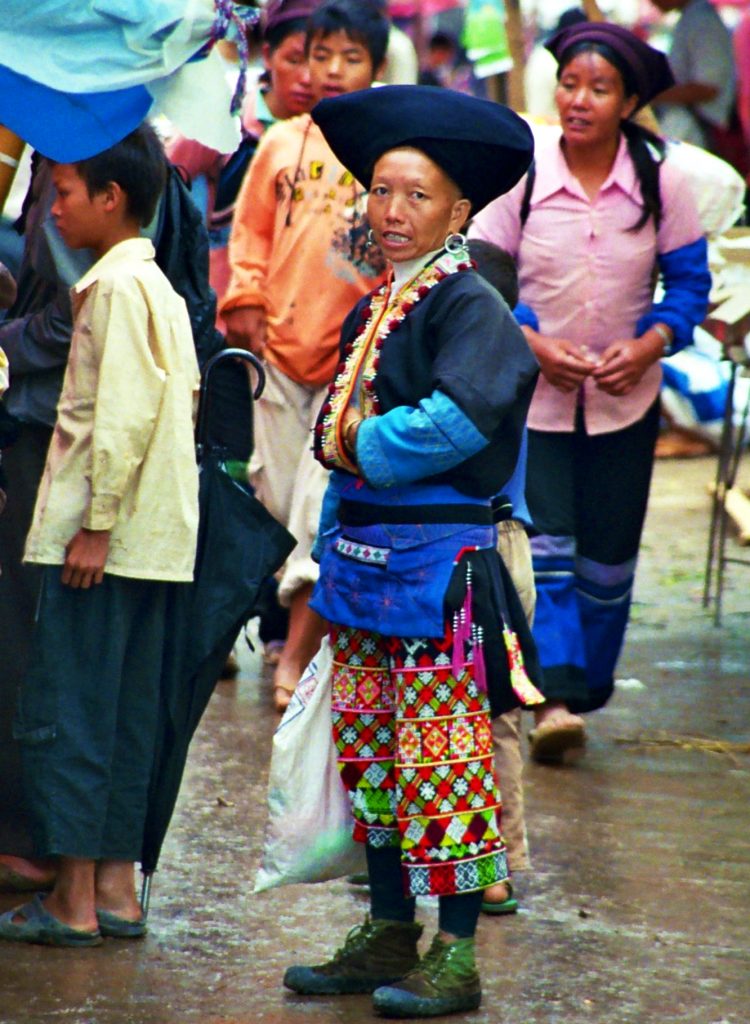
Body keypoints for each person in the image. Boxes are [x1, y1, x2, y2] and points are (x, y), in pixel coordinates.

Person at [282, 84, 541, 1019]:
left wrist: (362, 441)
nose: (390, 213)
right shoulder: (378, 305)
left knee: (445, 761)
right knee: (375, 763)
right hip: (363, 572)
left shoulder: (470, 305)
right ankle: (391, 928)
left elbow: (462, 418)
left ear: (459, 210)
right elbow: (332, 430)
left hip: (439, 576)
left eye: (415, 196)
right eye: (381, 193)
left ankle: (459, 953)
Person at [469, 21, 711, 763]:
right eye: (570, 83)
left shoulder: (663, 177)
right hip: (534, 404)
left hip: (624, 401)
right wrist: (534, 341)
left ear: (629, 101)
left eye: (598, 89)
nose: (578, 100)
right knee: (543, 551)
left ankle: (583, 685)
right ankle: (554, 701)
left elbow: (690, 285)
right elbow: (483, 272)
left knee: (608, 561)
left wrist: (647, 347)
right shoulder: (527, 169)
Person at [0, 124, 200, 947]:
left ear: (111, 200)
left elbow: (112, 422)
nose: (54, 206)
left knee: (74, 707)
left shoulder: (112, 291)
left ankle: (74, 900)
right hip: (154, 543)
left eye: (67, 192)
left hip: (102, 539)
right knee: (121, 710)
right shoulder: (151, 282)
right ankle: (115, 889)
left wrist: (95, 525)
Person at [220, 0, 389, 712]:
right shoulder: (281, 143)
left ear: (376, 68)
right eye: (321, 57)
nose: (331, 72)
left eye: (350, 58)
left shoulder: (388, 146)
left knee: (325, 506)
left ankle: (300, 654)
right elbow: (249, 237)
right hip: (279, 351)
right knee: (280, 500)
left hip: (352, 359)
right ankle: (293, 642)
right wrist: (248, 305)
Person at [167, 0, 318, 331]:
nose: (307, 77)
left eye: (318, 60)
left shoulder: (334, 139)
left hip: (297, 319)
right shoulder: (229, 120)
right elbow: (165, 177)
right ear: (268, 54)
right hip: (219, 306)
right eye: (293, 60)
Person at [651, 0, 735, 153]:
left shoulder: (703, 19)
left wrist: (651, 95)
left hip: (704, 133)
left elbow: (709, 87)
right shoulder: (690, 17)